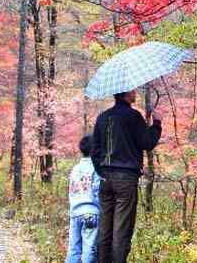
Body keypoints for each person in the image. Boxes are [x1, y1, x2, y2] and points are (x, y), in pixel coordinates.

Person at [91, 89, 162, 263]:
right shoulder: (132, 116)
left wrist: (101, 173)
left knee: (104, 229)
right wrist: (157, 124)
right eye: (132, 90)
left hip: (105, 178)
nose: (135, 92)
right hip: (125, 179)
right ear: (124, 94)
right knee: (121, 230)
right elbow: (147, 142)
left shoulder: (102, 117)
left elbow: (94, 151)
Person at [66, 135, 101, 263]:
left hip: (75, 212)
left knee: (73, 248)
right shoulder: (96, 168)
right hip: (91, 212)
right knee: (89, 248)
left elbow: (71, 190)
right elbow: (98, 191)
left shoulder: (75, 169)